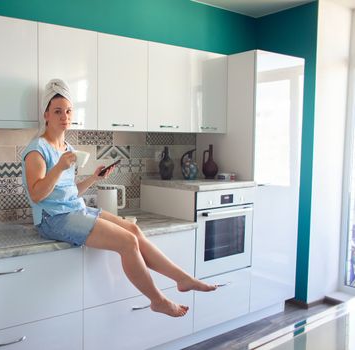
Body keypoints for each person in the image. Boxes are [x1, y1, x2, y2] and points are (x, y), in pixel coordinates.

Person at [22, 79, 217, 318]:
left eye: (69, 111)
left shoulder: (66, 147)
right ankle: (158, 300)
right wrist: (60, 167)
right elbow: (37, 194)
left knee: (133, 231)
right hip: (53, 219)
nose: (65, 116)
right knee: (127, 242)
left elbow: (67, 192)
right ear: (46, 115)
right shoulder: (37, 150)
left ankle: (183, 278)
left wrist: (94, 177)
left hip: (73, 210)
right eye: (58, 111)